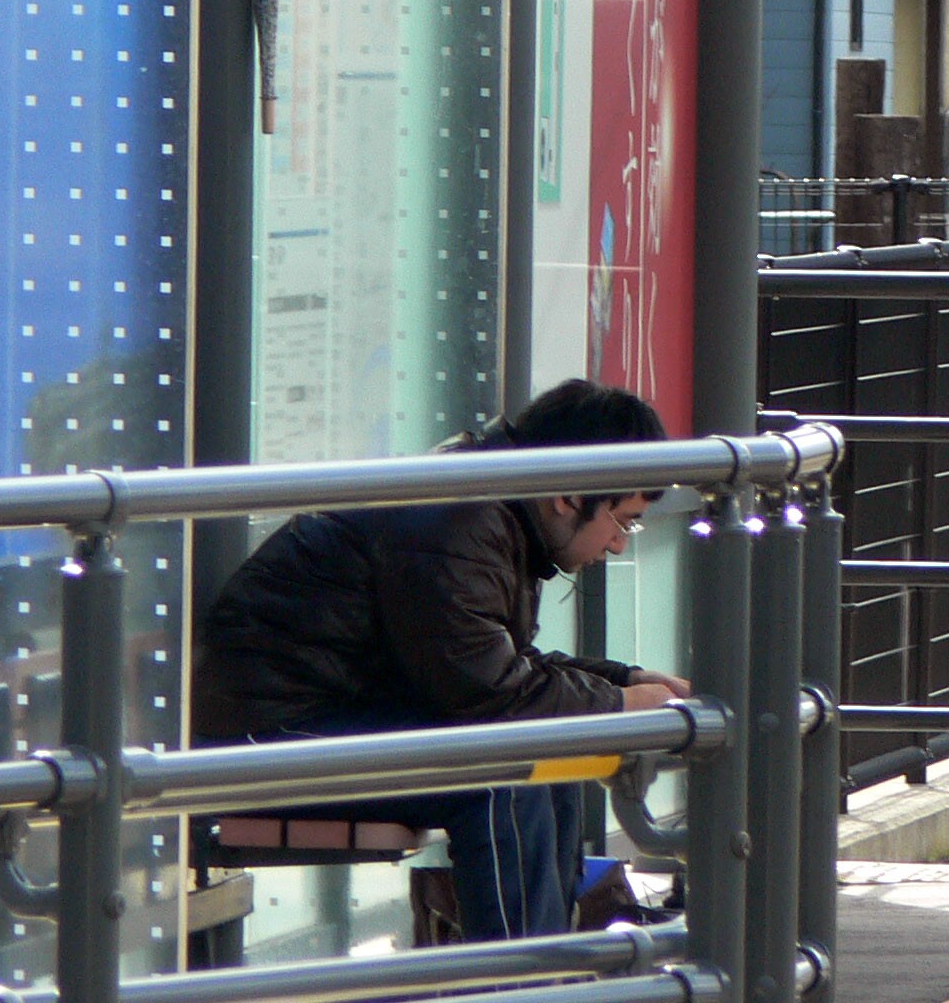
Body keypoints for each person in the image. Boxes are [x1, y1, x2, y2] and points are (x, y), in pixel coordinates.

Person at [195, 379, 691, 943]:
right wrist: (621, 702)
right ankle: (519, 978)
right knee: (504, 779)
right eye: (623, 521)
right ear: (570, 496)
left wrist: (625, 680)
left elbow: (490, 666)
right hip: (265, 735)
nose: (620, 544)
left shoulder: (489, 504)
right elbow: (490, 693)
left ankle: (547, 959)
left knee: (551, 759)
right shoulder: (459, 519)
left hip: (326, 714)